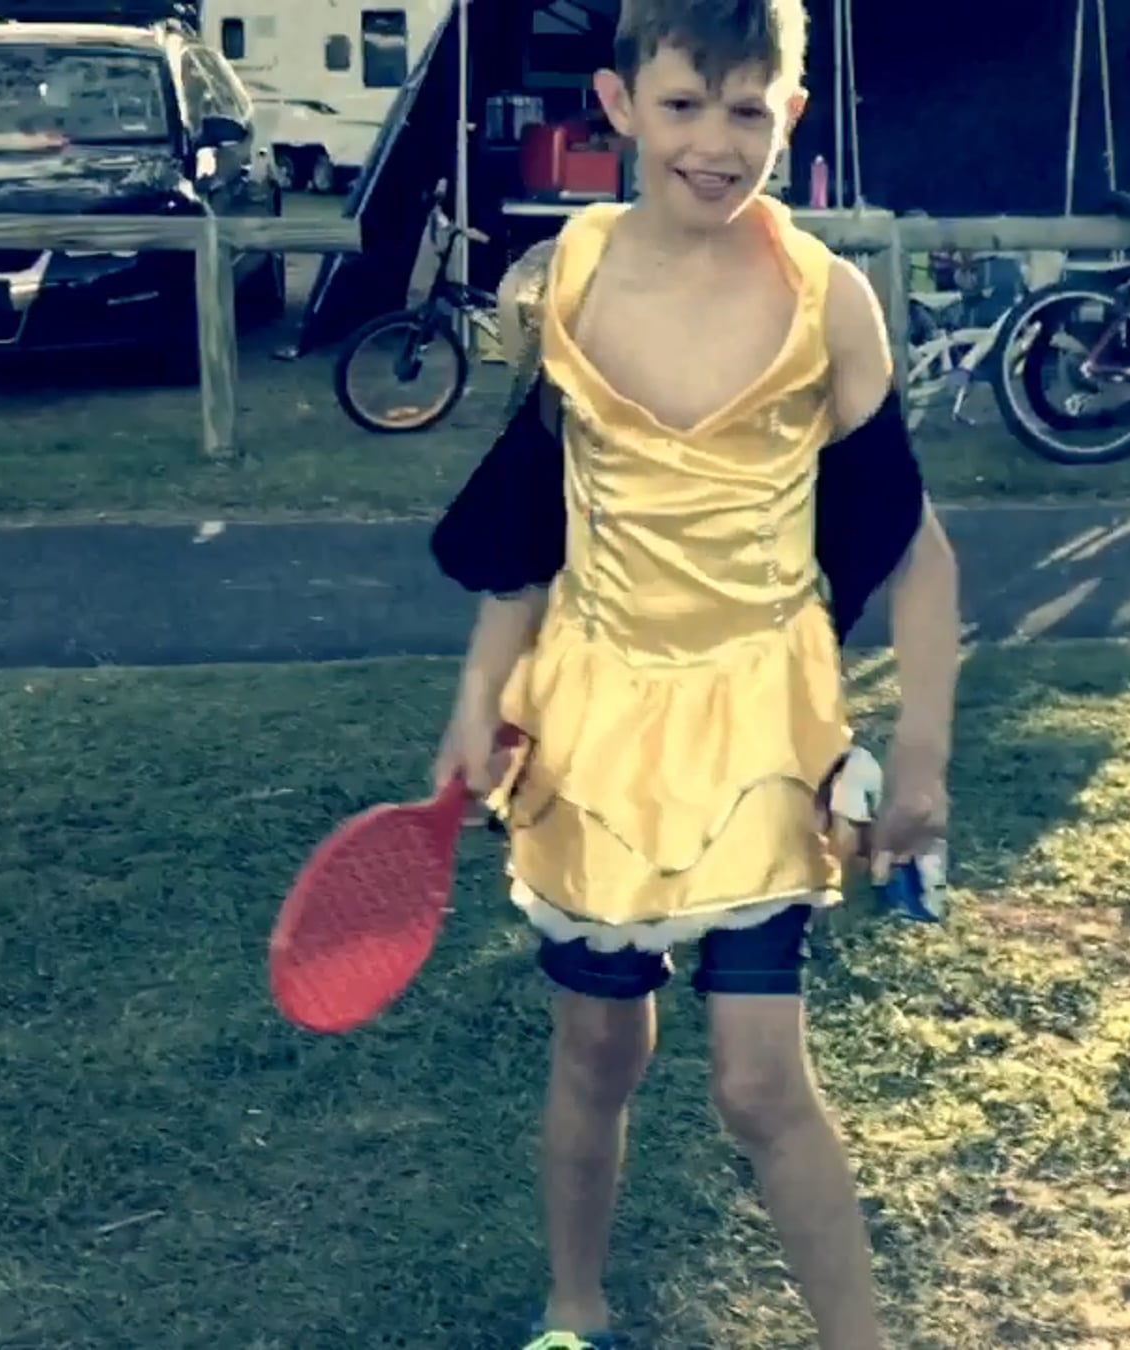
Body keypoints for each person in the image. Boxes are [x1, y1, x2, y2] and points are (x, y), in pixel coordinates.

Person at [425, 3, 962, 1347]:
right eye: (681, 105)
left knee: (760, 1083)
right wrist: (478, 698)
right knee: (597, 1052)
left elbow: (917, 551)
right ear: (619, 102)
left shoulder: (827, 301)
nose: (714, 144)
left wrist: (924, 758)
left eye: (746, 111)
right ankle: (574, 1311)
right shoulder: (556, 283)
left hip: (759, 730)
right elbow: (529, 531)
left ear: (792, 114)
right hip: (595, 728)